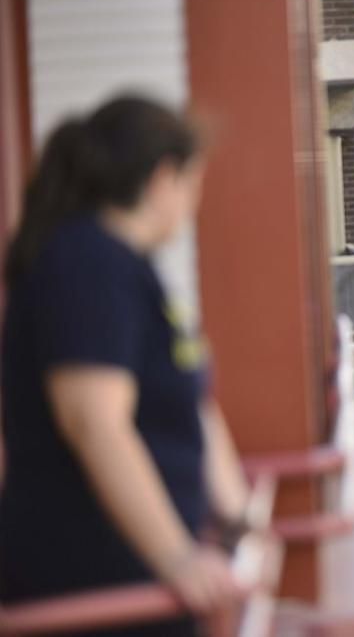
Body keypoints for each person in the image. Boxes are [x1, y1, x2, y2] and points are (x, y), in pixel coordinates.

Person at [0, 98, 250, 633]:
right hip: (94, 590)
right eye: (193, 183)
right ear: (164, 178)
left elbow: (191, 404)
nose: (194, 202)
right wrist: (177, 557)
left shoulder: (127, 270)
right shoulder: (87, 263)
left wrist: (237, 521)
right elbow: (93, 422)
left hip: (137, 586)